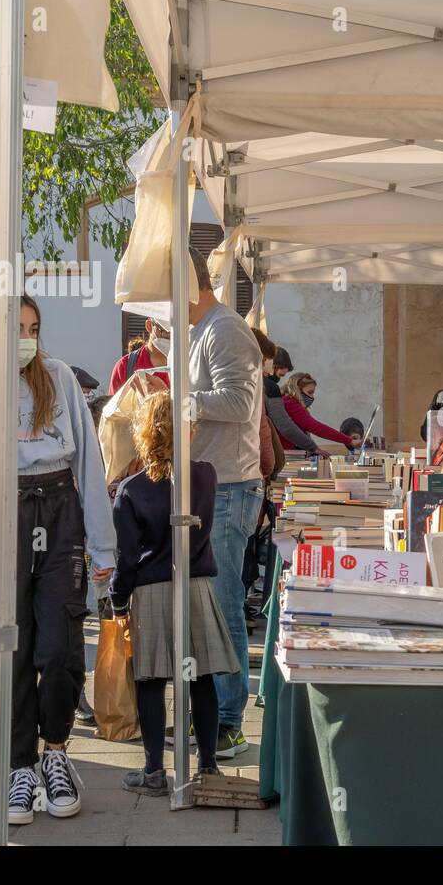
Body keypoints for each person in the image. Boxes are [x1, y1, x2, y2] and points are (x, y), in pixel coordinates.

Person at [0, 294, 116, 824]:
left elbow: (89, 460)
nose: (27, 338)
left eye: (33, 327)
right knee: (11, 648)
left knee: (59, 644)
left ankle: (55, 750)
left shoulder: (56, 377)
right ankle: (19, 766)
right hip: (2, 516)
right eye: (16, 327)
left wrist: (103, 547)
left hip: (59, 510)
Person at [111, 393, 240, 795]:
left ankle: (153, 772)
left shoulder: (130, 489)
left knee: (151, 682)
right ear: (189, 429)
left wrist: (117, 599)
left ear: (143, 433)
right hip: (197, 585)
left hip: (150, 590)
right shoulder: (205, 474)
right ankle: (208, 765)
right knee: (200, 678)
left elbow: (126, 558)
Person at [169, 248, 264, 760]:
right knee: (208, 607)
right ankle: (213, 712)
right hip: (212, 488)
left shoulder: (224, 329)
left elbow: (239, 403)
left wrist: (179, 400)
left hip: (229, 490)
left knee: (224, 608)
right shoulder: (200, 330)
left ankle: (229, 720)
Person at [252, 333, 321, 456]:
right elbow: (284, 425)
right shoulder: (271, 389)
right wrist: (312, 447)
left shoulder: (252, 382)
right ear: (271, 365)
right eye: (280, 375)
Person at [278, 371, 360, 452]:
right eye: (310, 392)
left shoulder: (289, 402)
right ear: (297, 390)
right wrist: (350, 441)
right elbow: (316, 427)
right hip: (289, 454)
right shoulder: (290, 403)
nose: (312, 397)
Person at [108, 317, 170, 395]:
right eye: (166, 332)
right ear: (149, 326)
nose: (171, 338)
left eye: (179, 332)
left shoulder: (188, 364)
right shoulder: (125, 366)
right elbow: (114, 406)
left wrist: (164, 396)